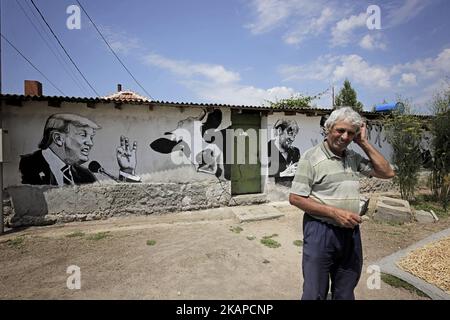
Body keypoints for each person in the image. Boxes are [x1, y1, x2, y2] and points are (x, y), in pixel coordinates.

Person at [289, 107, 395, 300]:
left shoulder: (353, 158)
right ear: (328, 128)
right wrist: (333, 213)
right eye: (340, 130)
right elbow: (296, 198)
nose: (345, 137)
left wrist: (363, 142)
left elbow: (387, 172)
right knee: (314, 293)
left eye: (351, 133)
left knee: (345, 293)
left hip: (351, 233)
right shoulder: (311, 157)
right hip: (320, 232)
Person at [19, 113, 140, 185]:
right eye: (83, 135)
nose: (90, 143)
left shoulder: (85, 175)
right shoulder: (26, 166)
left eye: (91, 137)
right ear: (58, 138)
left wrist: (127, 171)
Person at [268, 119, 300, 186]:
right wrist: (283, 174)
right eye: (290, 134)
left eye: (294, 135)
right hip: (273, 194)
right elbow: (259, 179)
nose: (292, 139)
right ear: (279, 131)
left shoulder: (295, 152)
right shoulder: (265, 151)